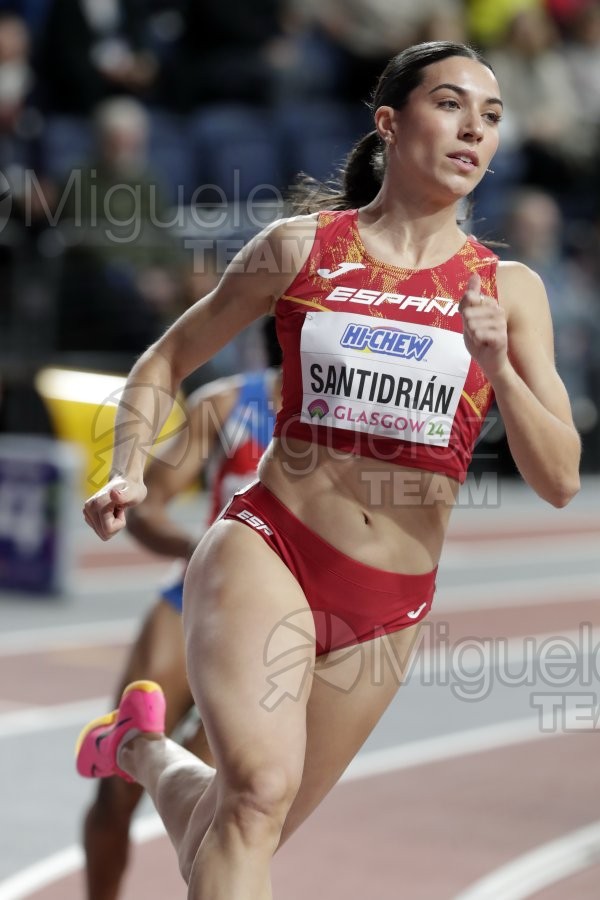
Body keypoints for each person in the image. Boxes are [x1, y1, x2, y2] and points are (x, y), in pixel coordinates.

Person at [77, 41, 581, 899]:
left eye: (492, 118)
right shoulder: (301, 248)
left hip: (389, 603)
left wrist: (497, 366)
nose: (474, 132)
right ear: (390, 123)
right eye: (451, 106)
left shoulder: (510, 290)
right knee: (255, 800)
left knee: (236, 827)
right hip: (270, 546)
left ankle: (136, 747)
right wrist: (123, 468)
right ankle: (140, 748)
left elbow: (561, 477)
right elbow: (164, 360)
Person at [82, 318, 282, 900]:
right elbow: (150, 509)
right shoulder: (226, 405)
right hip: (192, 597)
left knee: (217, 813)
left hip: (270, 634)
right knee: (115, 791)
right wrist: (214, 551)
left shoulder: (353, 430)